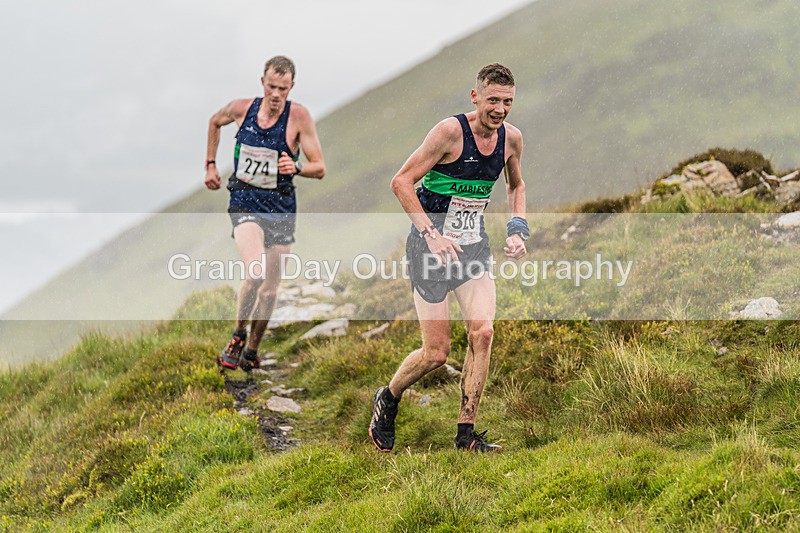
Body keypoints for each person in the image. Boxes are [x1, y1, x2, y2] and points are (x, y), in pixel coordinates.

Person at [369, 63, 529, 453]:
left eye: (507, 102)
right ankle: (388, 398)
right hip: (429, 251)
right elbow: (401, 182)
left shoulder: (512, 139)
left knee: (483, 333)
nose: (500, 109)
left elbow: (516, 184)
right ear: (475, 97)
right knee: (436, 354)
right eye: (493, 100)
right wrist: (432, 234)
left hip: (473, 249)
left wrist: (517, 227)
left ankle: (466, 435)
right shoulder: (449, 133)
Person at [204, 55, 325, 371]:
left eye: (282, 89)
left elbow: (319, 167)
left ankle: (252, 351)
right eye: (271, 86)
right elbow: (214, 122)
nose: (276, 94)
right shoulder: (241, 109)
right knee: (255, 273)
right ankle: (238, 334)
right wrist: (211, 165)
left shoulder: (299, 117)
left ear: (291, 88)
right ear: (262, 82)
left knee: (270, 290)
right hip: (245, 200)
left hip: (281, 208)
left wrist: (297, 166)